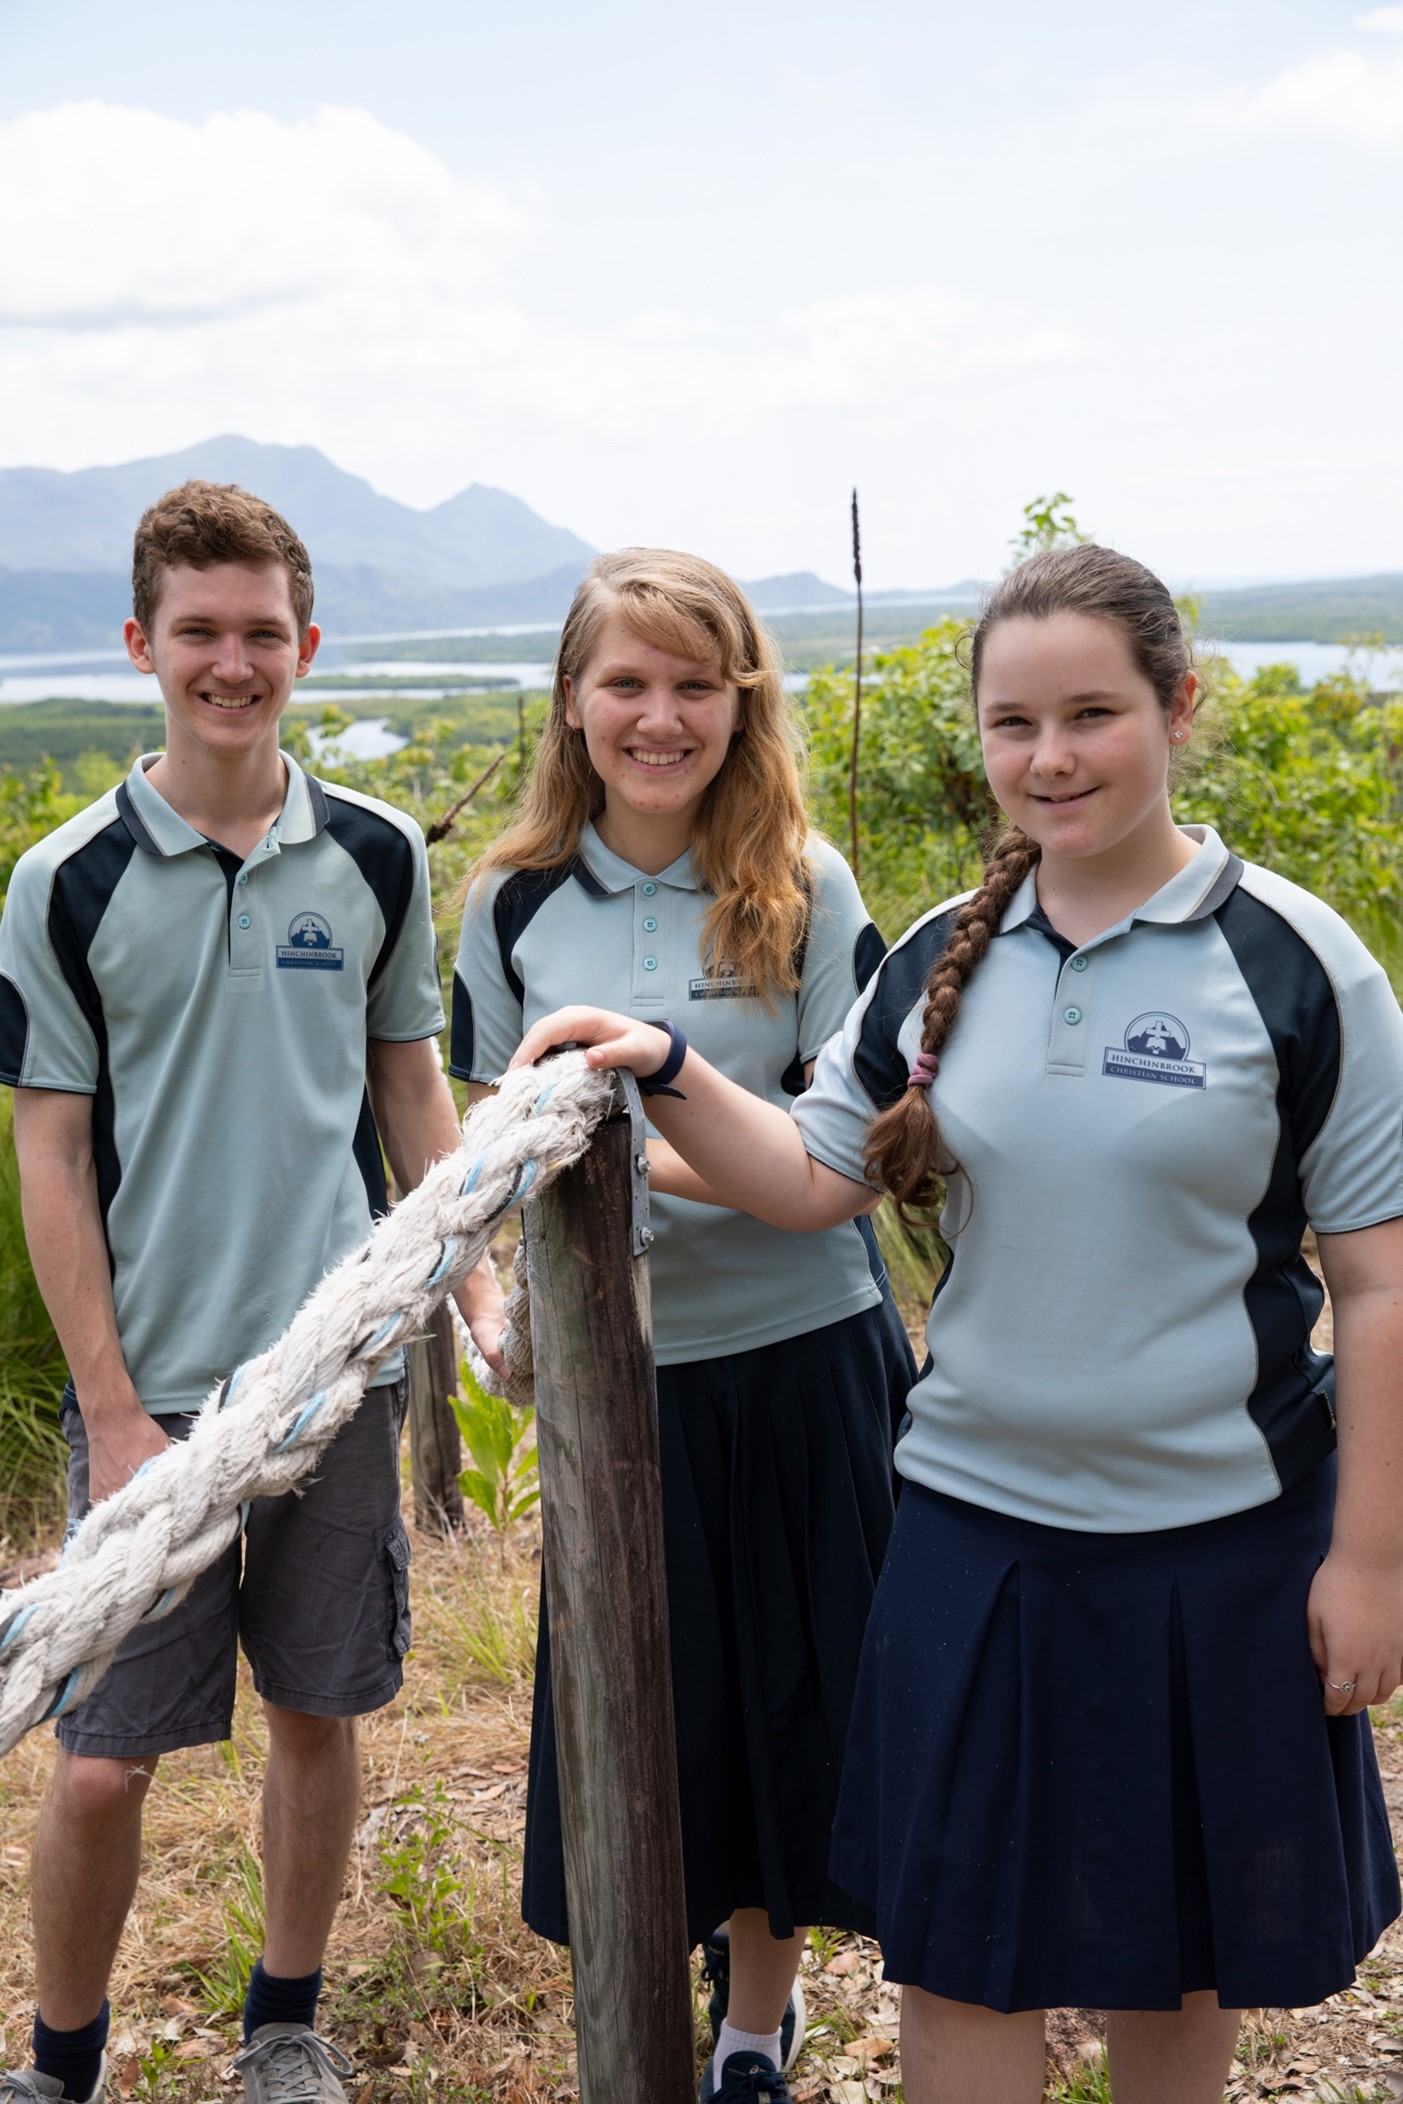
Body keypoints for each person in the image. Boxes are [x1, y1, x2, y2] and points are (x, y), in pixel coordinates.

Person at [509, 543, 1403, 2104]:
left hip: (1225, 1543)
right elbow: (812, 1175)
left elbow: (1380, 1284)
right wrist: (668, 1066)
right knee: (959, 1953)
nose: (1050, 758)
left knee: (1184, 1952)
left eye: (1092, 715)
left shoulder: (1296, 960)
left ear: (1179, 707)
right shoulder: (942, 958)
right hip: (973, 1537)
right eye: (1013, 723)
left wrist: (1373, 1562)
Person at [0, 482, 502, 2104]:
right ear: (141, 643)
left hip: (335, 1372)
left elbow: (410, 1090)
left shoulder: (374, 855)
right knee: (100, 1762)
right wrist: (111, 1408)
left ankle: (283, 2026)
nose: (233, 662)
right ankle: (58, 2065)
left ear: (308, 645)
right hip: (150, 1392)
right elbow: (52, 1152)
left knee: (313, 1712)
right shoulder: (66, 880)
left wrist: (473, 1286)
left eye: (262, 633)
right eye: (199, 632)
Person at [451, 547, 915, 2103]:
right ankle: (659, 1980)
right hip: (621, 1376)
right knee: (657, 1709)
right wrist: (497, 1300)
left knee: (791, 1703)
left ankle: (753, 2027)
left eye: (694, 685)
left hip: (803, 1358)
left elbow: (846, 1156)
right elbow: (487, 1135)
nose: (661, 717)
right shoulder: (512, 902)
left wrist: (632, 1143)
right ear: (573, 703)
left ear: (741, 701)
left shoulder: (808, 886)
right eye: (628, 683)